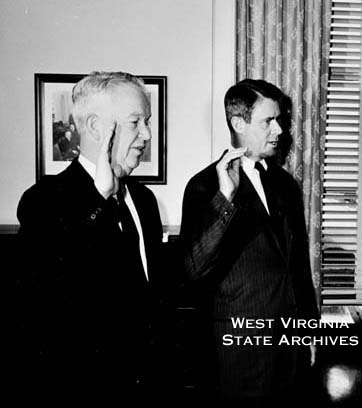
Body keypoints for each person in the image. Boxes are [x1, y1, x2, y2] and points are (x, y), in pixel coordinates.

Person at [13, 71, 174, 395]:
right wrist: (97, 198)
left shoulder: (143, 200)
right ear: (95, 127)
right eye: (134, 122)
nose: (146, 134)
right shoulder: (44, 199)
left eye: (148, 121)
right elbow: (47, 289)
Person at [179, 79, 319, 406]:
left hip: (289, 349)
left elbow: (297, 266)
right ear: (238, 123)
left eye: (279, 120)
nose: (280, 130)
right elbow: (193, 269)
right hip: (238, 354)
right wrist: (226, 198)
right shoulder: (203, 187)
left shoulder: (286, 185)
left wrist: (309, 330)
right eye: (268, 121)